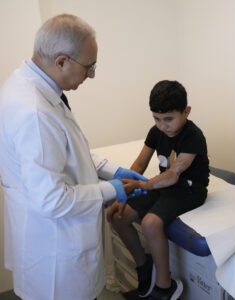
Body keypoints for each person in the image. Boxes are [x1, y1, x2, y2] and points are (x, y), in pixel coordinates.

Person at [0, 14, 147, 300]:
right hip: (56, 254)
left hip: (49, 241)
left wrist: (112, 171)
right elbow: (52, 199)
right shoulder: (34, 112)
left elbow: (70, 150)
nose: (92, 75)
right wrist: (112, 189)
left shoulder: (30, 86)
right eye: (89, 67)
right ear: (61, 61)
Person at [107, 80, 210, 300]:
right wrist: (123, 193)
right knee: (117, 216)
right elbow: (138, 166)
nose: (162, 126)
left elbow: (173, 174)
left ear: (186, 112)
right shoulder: (156, 131)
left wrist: (142, 185)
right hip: (163, 185)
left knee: (150, 223)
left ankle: (165, 285)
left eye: (169, 119)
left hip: (189, 189)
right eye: (156, 119)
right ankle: (144, 265)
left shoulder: (193, 136)